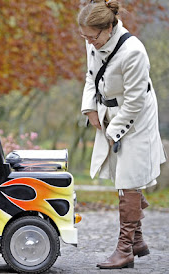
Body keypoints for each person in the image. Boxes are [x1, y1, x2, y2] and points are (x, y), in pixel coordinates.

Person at [77, 0, 167, 269]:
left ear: (109, 27)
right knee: (121, 173)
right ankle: (138, 239)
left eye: (93, 37)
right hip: (109, 109)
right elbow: (91, 75)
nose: (90, 43)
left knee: (129, 178)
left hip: (137, 117)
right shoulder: (92, 39)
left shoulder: (134, 52)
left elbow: (135, 102)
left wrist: (114, 132)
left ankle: (125, 249)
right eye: (85, 37)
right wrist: (90, 108)